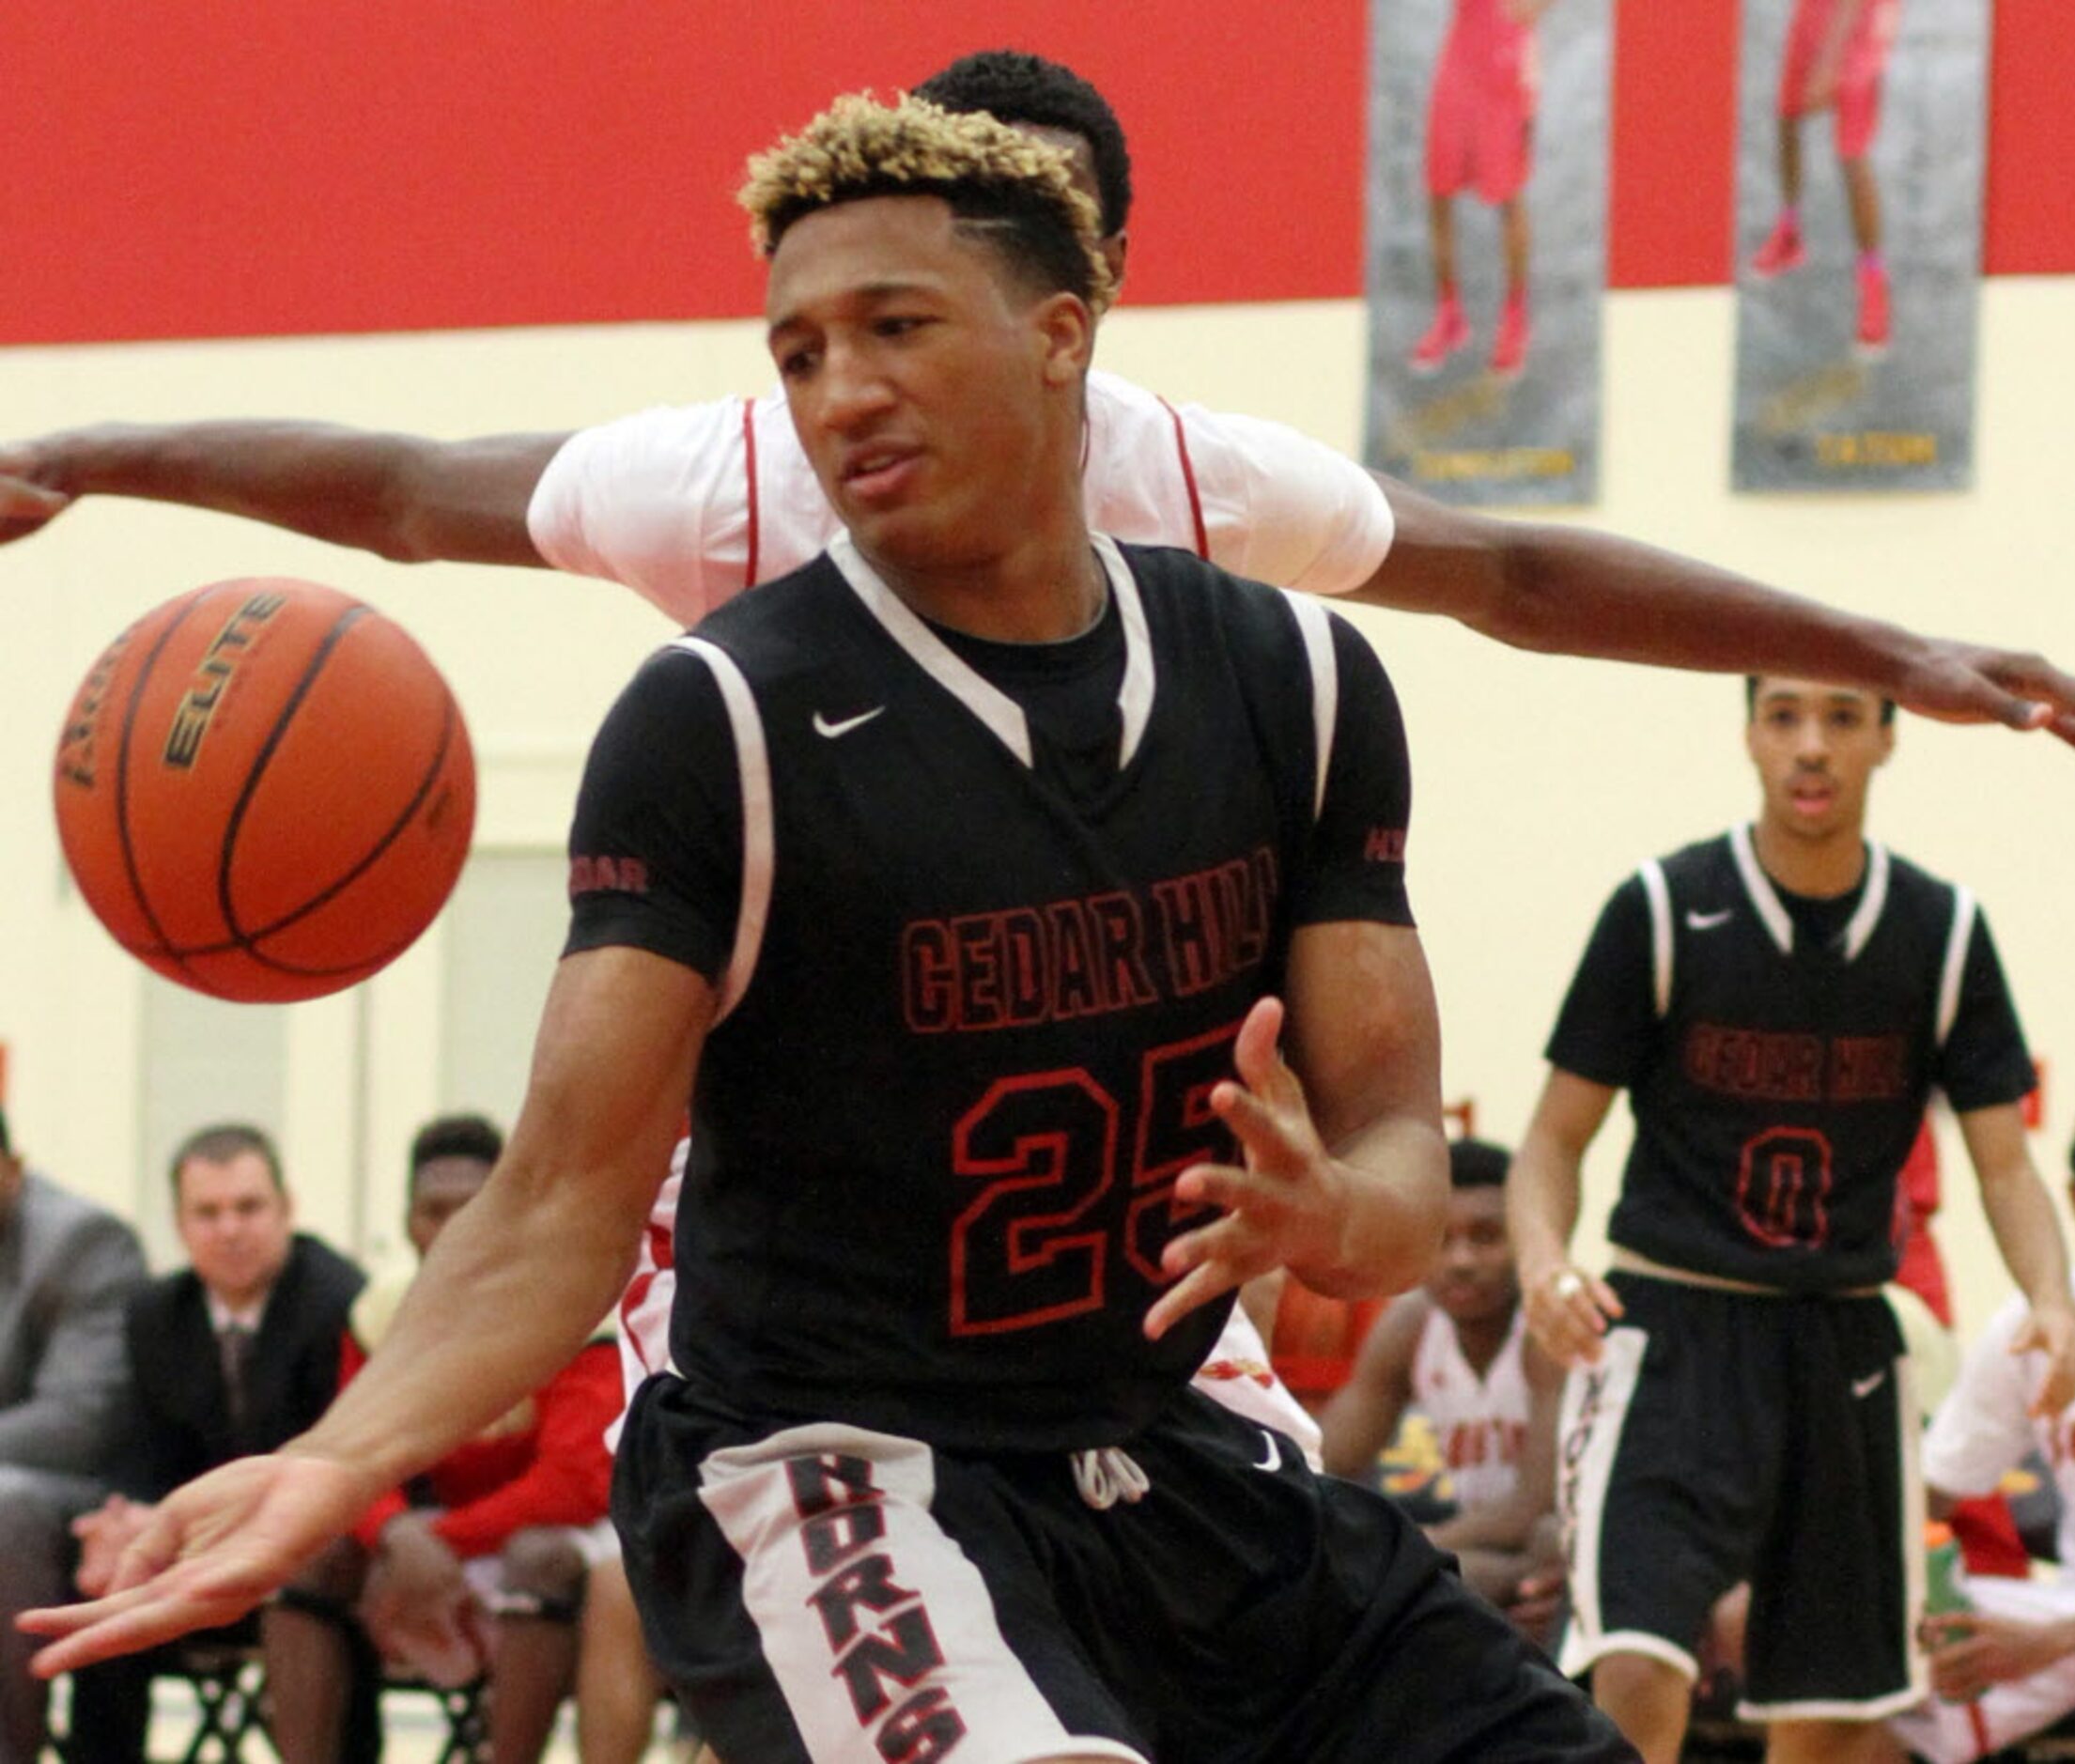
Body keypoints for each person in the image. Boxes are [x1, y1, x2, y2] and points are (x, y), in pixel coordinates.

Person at [23, 92, 1634, 1762]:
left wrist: (1331, 1214)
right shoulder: (718, 721)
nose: (840, 390)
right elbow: (560, 1195)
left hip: (1158, 1440)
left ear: (1065, 331)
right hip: (830, 1460)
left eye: (895, 328)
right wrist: (339, 1454)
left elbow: (1388, 1155)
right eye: (798, 354)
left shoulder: (1292, 683)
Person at [0, 51, 2075, 771]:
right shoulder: (729, 473)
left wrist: (1893, 650)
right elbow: (394, 489)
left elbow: (1509, 568)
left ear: (1074, 313)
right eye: (847, 312)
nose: (866, 375)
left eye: (938, 306)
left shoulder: (1186, 481)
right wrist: (78, 453)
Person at [1505, 673, 2075, 1764]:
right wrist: (1544, 1262)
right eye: (1784, 718)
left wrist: (2051, 1298)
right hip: (1672, 1325)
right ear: (1749, 736)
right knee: (1634, 1659)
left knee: (1830, 1711)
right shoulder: (1662, 908)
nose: (1811, 746)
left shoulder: (1942, 932)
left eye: (1841, 720)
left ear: (1885, 741)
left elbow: (2004, 1166)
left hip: (1842, 1336)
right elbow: (1551, 1141)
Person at [271, 1113, 620, 1764]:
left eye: (472, 1208)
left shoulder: (579, 1302)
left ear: (507, 1212)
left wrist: (434, 1540)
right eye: (434, 1211)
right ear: (409, 1224)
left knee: (538, 1557)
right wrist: (396, 1532)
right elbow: (345, 1449)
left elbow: (573, 1485)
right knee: (311, 1561)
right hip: (440, 1535)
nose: (453, 1229)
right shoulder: (379, 1313)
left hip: (567, 1537)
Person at [1884, 1087, 2075, 1762]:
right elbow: (1932, 1490)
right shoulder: (2031, 1327)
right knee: (1856, 1672)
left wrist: (2054, 1640)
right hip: (2070, 1602)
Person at [63, 1122, 373, 1764]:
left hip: (311, 1542)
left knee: (325, 1578)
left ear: (287, 1210)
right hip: (198, 1545)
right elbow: (144, 1451)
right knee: (107, 1581)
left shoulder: (337, 1298)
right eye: (207, 1213)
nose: (229, 1229)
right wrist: (124, 1519)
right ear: (179, 1225)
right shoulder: (154, 1313)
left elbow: (340, 1455)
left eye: (249, 1207)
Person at [1319, 1137, 1563, 1632]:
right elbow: (1323, 1462)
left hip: (1567, 1544)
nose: (1461, 1260)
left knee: (1545, 1539)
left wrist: (1407, 1547)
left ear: (1524, 1238)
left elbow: (1533, 1505)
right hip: (1484, 1551)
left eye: (1487, 1236)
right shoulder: (1410, 1326)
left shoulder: (1546, 1327)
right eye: (1442, 1240)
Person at [0, 1104, 143, 1764]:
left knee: (4, 1502)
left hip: (79, 1492)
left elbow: (77, 1421)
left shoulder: (83, 1241)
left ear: (13, 1172)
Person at [1408, 0, 1557, 378]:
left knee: (1507, 192)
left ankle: (1514, 318)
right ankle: (1449, 311)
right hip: (1461, 55)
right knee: (1439, 188)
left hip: (1505, 60)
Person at [1747, 0, 1900, 356]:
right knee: (1787, 117)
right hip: (1815, 13)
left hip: (1861, 24)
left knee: (1851, 153)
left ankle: (1873, 287)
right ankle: (1789, 233)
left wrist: (1830, 63)